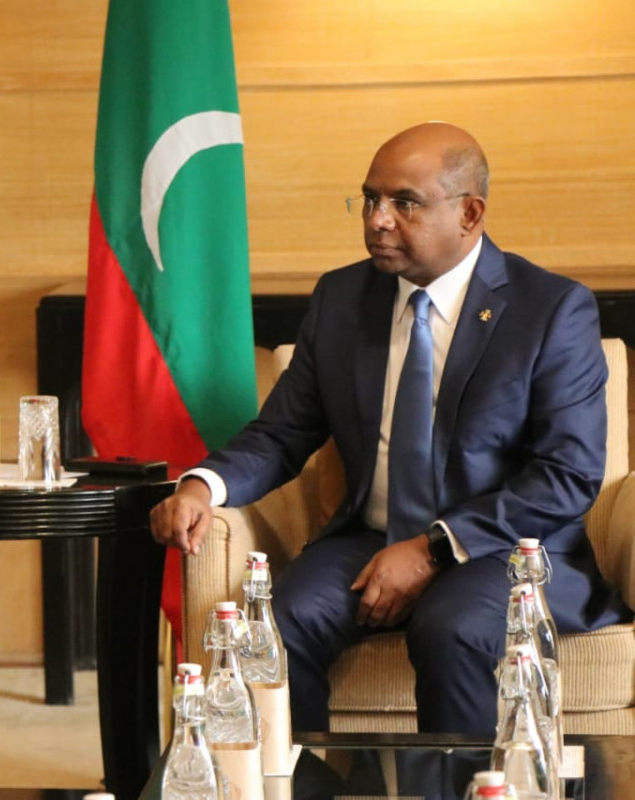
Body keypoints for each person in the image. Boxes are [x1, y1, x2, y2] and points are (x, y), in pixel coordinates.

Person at [150, 122, 631, 735]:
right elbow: (282, 432)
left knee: (452, 627)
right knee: (277, 622)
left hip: (507, 547)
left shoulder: (551, 310)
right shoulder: (343, 297)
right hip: (372, 535)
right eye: (370, 199)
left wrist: (434, 549)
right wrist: (202, 486)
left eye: (404, 203)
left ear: (470, 212)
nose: (377, 219)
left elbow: (566, 477)